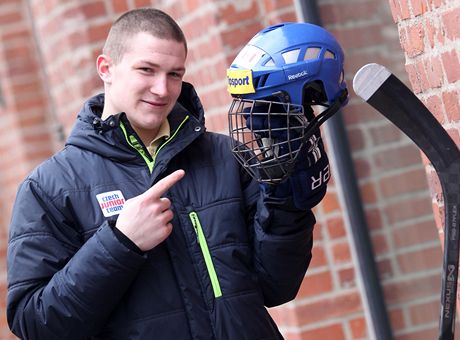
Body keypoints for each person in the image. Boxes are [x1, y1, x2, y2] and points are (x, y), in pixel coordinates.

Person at [7, 8, 347, 340]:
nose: (162, 89)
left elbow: (275, 287)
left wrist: (287, 207)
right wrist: (120, 242)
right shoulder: (49, 187)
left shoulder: (226, 156)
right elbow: (35, 324)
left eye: (174, 74)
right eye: (147, 70)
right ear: (106, 68)